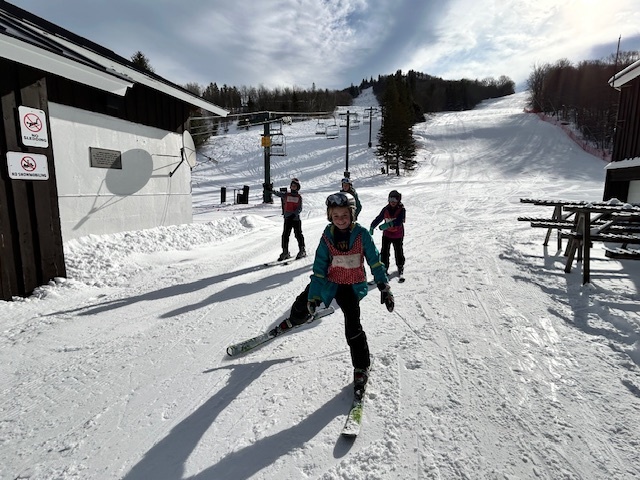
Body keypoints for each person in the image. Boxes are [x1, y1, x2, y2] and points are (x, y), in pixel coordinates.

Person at [271, 192, 394, 394]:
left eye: (344, 215)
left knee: (353, 327)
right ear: (330, 216)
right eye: (335, 216)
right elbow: (319, 268)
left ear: (352, 214)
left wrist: (384, 286)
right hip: (329, 282)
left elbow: (375, 261)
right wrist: (314, 297)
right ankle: (296, 319)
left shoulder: (362, 235)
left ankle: (361, 366)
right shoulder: (327, 236)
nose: (340, 220)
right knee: (302, 301)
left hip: (351, 288)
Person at [369, 190, 406, 277]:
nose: (392, 202)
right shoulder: (386, 209)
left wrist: (389, 224)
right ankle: (384, 267)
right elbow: (379, 218)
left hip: (398, 235)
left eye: (395, 199)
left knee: (398, 251)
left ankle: (400, 266)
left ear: (398, 200)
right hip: (387, 235)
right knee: (384, 252)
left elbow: (399, 221)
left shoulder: (401, 210)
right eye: (390, 199)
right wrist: (372, 226)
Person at [271, 178, 306, 261]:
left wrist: (294, 214)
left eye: (294, 186)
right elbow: (278, 193)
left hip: (295, 219)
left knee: (298, 234)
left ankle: (302, 250)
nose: (293, 187)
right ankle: (285, 252)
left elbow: (299, 208)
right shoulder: (286, 195)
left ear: (297, 187)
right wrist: (270, 190)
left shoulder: (298, 197)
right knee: (285, 235)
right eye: (292, 185)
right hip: (287, 218)